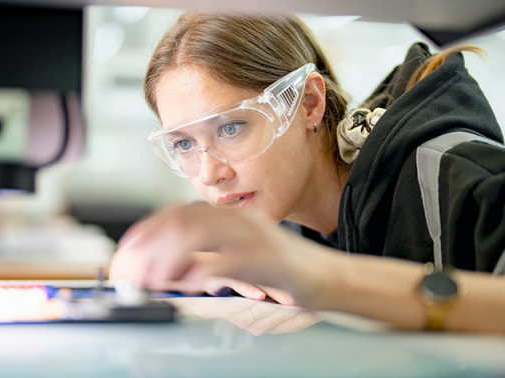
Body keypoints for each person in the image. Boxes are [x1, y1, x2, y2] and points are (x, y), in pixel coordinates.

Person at [109, 11, 505, 333]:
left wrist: (326, 280)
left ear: (309, 104)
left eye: (231, 128)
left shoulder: (454, 174)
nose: (210, 173)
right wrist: (139, 274)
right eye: (183, 144)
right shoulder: (275, 214)